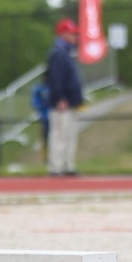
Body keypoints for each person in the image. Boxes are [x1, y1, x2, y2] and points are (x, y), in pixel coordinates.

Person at [44, 20, 85, 176]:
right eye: (72, 33)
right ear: (63, 33)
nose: (75, 36)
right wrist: (60, 98)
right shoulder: (58, 53)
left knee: (69, 135)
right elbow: (55, 78)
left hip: (71, 102)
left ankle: (68, 165)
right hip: (62, 103)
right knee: (59, 135)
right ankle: (56, 167)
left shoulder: (68, 52)